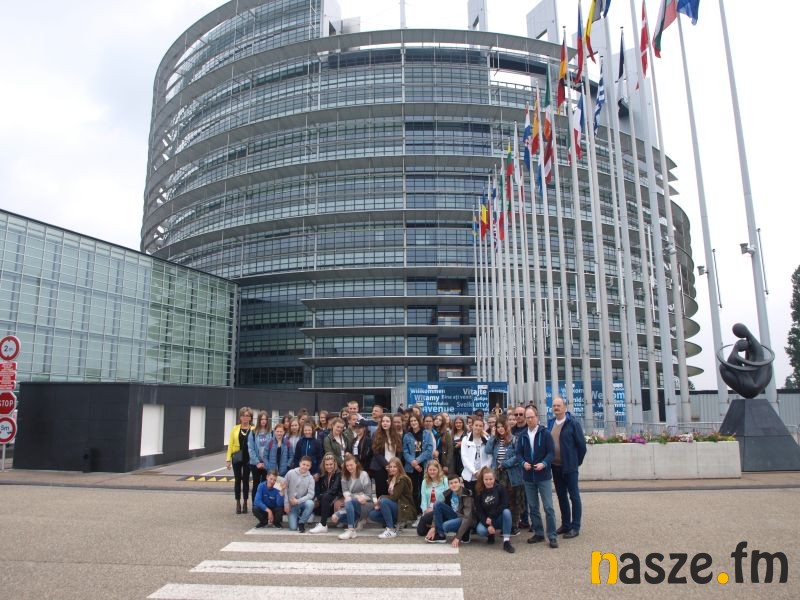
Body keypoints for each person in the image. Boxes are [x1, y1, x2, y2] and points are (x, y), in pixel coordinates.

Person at [517, 406, 558, 548]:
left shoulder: (545, 433)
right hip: (528, 476)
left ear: (537, 417)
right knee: (533, 507)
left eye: (531, 417)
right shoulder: (522, 435)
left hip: (543, 476)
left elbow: (551, 452)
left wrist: (544, 463)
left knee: (548, 507)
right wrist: (523, 463)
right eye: (527, 417)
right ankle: (539, 533)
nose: (529, 420)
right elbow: (518, 454)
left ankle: (552, 536)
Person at [548, 396, 587, 539]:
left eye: (558, 405)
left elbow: (581, 446)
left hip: (570, 467)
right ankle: (565, 524)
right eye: (554, 405)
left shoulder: (573, 424)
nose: (556, 408)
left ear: (565, 407)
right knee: (561, 496)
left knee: (574, 496)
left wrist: (575, 462)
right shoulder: (551, 423)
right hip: (555, 467)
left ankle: (575, 526)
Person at [486, 415, 523, 536]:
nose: (500, 429)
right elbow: (487, 450)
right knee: (502, 501)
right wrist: (492, 436)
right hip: (498, 475)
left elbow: (518, 456)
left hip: (511, 475)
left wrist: (505, 464)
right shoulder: (496, 440)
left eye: (502, 426)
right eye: (498, 427)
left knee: (513, 501)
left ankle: (513, 526)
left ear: (508, 427)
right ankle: (505, 524)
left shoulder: (515, 439)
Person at [368, 457, 415, 538]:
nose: (392, 469)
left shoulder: (402, 479)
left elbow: (394, 497)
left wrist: (380, 498)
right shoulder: (391, 478)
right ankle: (395, 524)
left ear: (399, 467)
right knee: (373, 514)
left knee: (384, 501)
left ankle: (390, 529)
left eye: (395, 467)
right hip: (396, 505)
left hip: (404, 507)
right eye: (390, 467)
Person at [473, 467, 515, 553]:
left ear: (494, 478)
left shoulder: (500, 488)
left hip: (498, 518)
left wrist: (492, 517)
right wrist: (487, 524)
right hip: (487, 520)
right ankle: (490, 534)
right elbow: (479, 510)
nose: (488, 482)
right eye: (486, 479)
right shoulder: (479, 491)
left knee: (507, 512)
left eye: (491, 479)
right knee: (480, 530)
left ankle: (506, 541)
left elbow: (504, 505)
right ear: (482, 479)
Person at [425, 473, 474, 547]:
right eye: (451, 483)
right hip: (454, 515)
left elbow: (468, 517)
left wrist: (458, 537)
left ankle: (465, 532)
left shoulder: (466, 494)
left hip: (464, 518)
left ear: (460, 483)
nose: (453, 485)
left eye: (456, 482)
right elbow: (438, 511)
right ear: (448, 485)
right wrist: (433, 527)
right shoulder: (449, 493)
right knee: (437, 504)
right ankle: (441, 535)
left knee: (446, 526)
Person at [402, 414, 435, 514]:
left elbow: (429, 450)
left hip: (424, 466)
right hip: (411, 467)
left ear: (419, 422)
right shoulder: (407, 435)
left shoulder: (427, 434)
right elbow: (405, 451)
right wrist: (413, 462)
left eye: (415, 420)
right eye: (411, 421)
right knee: (413, 490)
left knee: (424, 490)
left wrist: (417, 461)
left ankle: (424, 510)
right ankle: (415, 511)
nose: (413, 423)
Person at [226, 406, 254, 514]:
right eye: (243, 415)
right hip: (237, 456)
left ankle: (245, 502)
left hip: (248, 457)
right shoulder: (235, 428)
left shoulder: (253, 429)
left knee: (246, 480)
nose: (245, 418)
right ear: (240, 417)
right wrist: (228, 459)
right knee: (237, 479)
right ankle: (238, 502)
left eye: (247, 416)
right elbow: (230, 444)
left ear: (250, 417)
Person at [337, 453, 372, 540]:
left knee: (348, 500)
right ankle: (357, 520)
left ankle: (351, 530)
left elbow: (368, 495)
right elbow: (345, 492)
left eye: (351, 465)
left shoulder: (364, 475)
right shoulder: (344, 476)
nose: (349, 467)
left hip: (365, 504)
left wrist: (354, 497)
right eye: (347, 466)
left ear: (356, 464)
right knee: (336, 518)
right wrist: (356, 496)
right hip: (353, 503)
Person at [370, 414, 403, 498]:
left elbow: (399, 452)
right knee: (381, 492)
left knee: (392, 491)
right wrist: (387, 465)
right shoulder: (376, 434)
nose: (385, 423)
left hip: (394, 468)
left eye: (387, 421)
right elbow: (376, 452)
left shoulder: (397, 435)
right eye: (383, 421)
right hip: (380, 468)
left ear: (391, 423)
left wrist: (395, 465)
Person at [309, 453, 342, 533]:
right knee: (316, 503)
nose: (329, 466)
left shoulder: (339, 474)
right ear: (324, 465)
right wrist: (317, 498)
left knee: (326, 496)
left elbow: (334, 490)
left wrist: (319, 497)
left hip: (335, 501)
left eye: (331, 464)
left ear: (334, 464)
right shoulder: (323, 475)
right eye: (327, 464)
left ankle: (323, 525)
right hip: (326, 503)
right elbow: (321, 490)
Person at [283, 455, 316, 532]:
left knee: (310, 503)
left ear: (310, 466)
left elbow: (311, 494)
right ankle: (298, 515)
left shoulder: (310, 478)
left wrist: (298, 501)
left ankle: (302, 522)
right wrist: (286, 503)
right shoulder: (290, 473)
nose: (305, 467)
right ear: (300, 463)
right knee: (293, 528)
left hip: (301, 502)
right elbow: (284, 488)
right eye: (303, 464)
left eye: (307, 465)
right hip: (291, 504)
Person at [417, 459, 448, 534]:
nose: (432, 472)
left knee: (427, 520)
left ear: (438, 470)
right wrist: (425, 510)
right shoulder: (425, 481)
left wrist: (434, 509)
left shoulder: (444, 480)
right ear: (427, 470)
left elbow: (447, 498)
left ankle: (435, 527)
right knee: (420, 532)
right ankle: (433, 527)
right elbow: (423, 498)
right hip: (428, 510)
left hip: (440, 509)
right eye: (430, 470)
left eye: (434, 470)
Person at [460, 416, 489, 493]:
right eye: (476, 425)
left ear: (483, 427)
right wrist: (474, 471)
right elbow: (464, 457)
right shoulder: (465, 439)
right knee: (470, 497)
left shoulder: (487, 439)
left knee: (481, 497)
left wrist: (481, 470)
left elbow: (490, 457)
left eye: (480, 426)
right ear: (472, 426)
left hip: (483, 474)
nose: (478, 427)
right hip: (469, 474)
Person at [248, 410, 273, 488]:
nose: (263, 421)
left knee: (266, 485)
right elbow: (251, 449)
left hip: (267, 463)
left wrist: (266, 462)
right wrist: (257, 462)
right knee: (256, 485)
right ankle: (256, 497)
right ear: (259, 420)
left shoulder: (271, 432)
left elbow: (272, 449)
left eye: (265, 419)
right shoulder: (253, 433)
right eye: (262, 419)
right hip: (256, 464)